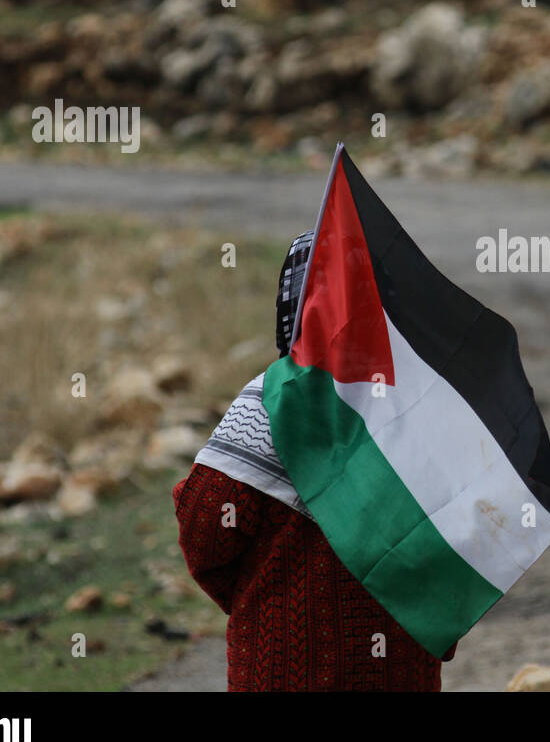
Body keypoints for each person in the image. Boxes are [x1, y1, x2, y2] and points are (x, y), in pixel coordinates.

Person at [173, 231, 454, 690]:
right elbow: (460, 546)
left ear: (294, 302)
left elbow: (206, 536)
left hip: (283, 667)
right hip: (399, 669)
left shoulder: (267, 405)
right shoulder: (424, 408)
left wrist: (254, 601)